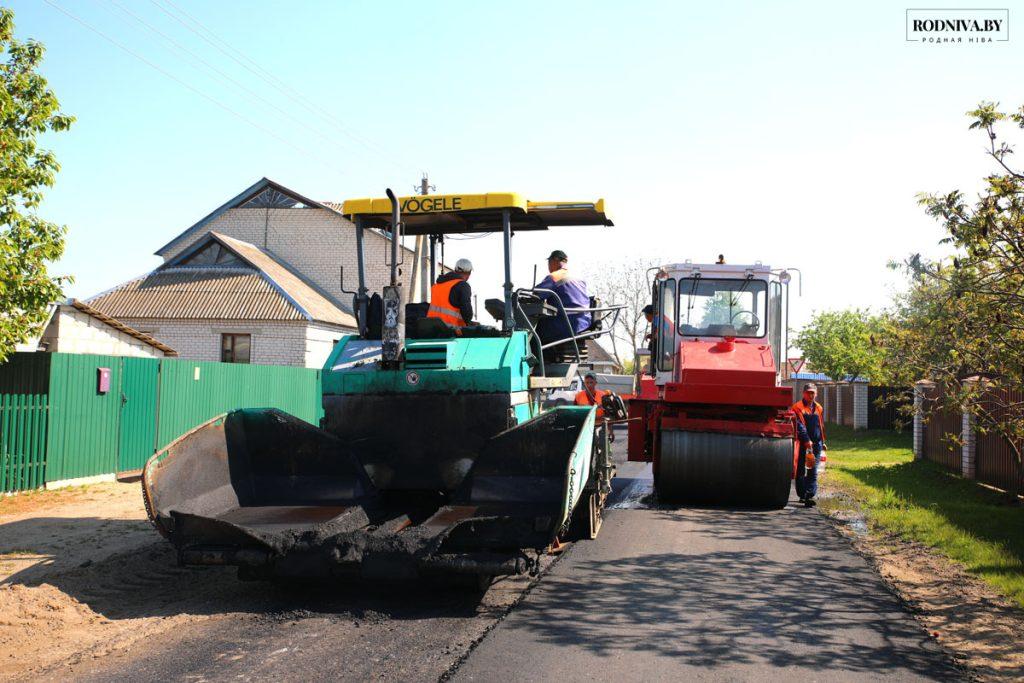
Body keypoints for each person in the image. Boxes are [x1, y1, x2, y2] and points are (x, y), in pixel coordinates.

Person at [535, 250, 591, 345]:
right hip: (585, 322)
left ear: (554, 260)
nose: (548, 267)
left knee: (531, 332)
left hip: (566, 323)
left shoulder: (554, 277)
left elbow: (536, 295)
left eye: (549, 263)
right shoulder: (579, 278)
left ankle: (537, 354)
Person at [792, 382, 827, 507]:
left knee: (813, 470)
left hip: (816, 444)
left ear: (816, 394)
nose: (811, 395)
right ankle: (802, 495)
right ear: (803, 393)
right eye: (808, 393)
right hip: (802, 443)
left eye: (813, 393)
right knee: (801, 470)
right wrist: (807, 441)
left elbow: (820, 425)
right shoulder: (797, 407)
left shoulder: (819, 408)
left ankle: (809, 494)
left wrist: (823, 441)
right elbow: (800, 427)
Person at [427, 258, 474, 327]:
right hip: (451, 329)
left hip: (430, 328)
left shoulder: (436, 285)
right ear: (468, 273)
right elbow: (467, 312)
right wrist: (469, 323)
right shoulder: (463, 285)